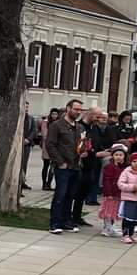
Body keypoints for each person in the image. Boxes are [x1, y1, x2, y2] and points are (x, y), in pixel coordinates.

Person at [47, 98, 84, 234]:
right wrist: (60, 162)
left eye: (80, 110)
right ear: (68, 108)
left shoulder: (79, 127)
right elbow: (50, 144)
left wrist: (83, 152)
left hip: (75, 165)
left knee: (70, 195)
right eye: (76, 109)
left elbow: (81, 144)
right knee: (60, 195)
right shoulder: (57, 125)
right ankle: (55, 223)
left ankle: (66, 221)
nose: (78, 112)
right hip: (63, 166)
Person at [117, 152, 137, 244]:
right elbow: (120, 184)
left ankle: (132, 233)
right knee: (127, 218)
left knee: (135, 218)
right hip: (128, 198)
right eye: (134, 161)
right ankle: (125, 235)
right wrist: (133, 187)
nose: (136, 163)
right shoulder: (126, 172)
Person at [99, 145, 127, 237]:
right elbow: (106, 180)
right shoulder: (109, 167)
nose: (118, 157)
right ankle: (107, 228)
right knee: (108, 211)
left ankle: (110, 226)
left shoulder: (124, 167)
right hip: (111, 193)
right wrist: (108, 193)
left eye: (121, 155)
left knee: (114, 210)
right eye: (116, 155)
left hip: (118, 193)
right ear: (112, 156)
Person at [40, 108, 61, 190]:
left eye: (56, 114)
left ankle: (49, 183)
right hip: (47, 147)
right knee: (46, 165)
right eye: (53, 114)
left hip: (56, 148)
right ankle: (44, 183)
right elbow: (44, 135)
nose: (54, 116)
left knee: (53, 166)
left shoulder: (59, 123)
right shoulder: (46, 122)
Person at [20, 101, 38, 191]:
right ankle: (17, 182)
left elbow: (34, 130)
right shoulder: (18, 118)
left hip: (26, 145)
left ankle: (22, 181)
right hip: (18, 144)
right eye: (25, 106)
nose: (26, 109)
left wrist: (28, 139)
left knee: (24, 164)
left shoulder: (31, 118)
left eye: (27, 107)